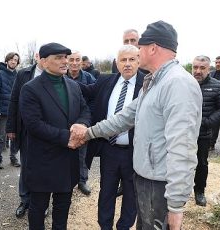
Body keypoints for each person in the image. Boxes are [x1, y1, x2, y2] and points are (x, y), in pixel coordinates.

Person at [70, 20, 202, 230]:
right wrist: (88, 133)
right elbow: (123, 118)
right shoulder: (154, 82)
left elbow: (183, 147)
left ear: (152, 48)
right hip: (146, 178)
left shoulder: (177, 84)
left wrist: (176, 205)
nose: (137, 52)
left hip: (160, 184)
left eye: (139, 47)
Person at [19, 42, 91, 229]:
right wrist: (68, 137)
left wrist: (82, 125)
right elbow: (34, 125)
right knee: (38, 208)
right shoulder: (30, 88)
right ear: (43, 62)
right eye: (58, 58)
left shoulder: (73, 86)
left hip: (68, 160)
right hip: (43, 159)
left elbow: (85, 110)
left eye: (65, 57)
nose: (64, 61)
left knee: (63, 207)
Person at [79, 44, 145, 229]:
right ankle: (104, 226)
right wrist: (64, 77)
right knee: (106, 192)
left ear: (139, 61)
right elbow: (86, 91)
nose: (127, 64)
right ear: (116, 63)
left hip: (134, 151)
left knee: (131, 195)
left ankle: (124, 226)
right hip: (109, 150)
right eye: (123, 60)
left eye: (132, 59)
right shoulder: (105, 81)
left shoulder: (147, 85)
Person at [6, 52, 44, 218]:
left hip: (46, 130)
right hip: (26, 129)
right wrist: (11, 127)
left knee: (43, 168)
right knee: (27, 165)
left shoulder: (56, 75)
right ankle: (25, 200)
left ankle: (41, 203)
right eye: (42, 56)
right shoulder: (24, 74)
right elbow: (14, 100)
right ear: (37, 57)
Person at [192, 55, 220, 206]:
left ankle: (199, 191)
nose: (198, 71)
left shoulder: (218, 86)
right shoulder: (183, 84)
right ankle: (178, 193)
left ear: (209, 69)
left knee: (201, 163)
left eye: (202, 68)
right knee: (178, 162)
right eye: (195, 67)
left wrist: (207, 122)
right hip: (182, 133)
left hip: (203, 134)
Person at [66, 51, 95, 196]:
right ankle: (65, 178)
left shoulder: (89, 78)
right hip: (64, 121)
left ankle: (82, 180)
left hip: (83, 121)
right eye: (72, 60)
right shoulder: (61, 77)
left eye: (78, 60)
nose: (75, 63)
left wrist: (86, 121)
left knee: (82, 153)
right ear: (67, 61)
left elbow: (94, 99)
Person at [0, 52, 21, 169]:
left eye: (16, 60)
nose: (13, 61)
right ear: (7, 61)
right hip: (3, 111)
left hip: (16, 111)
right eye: (11, 59)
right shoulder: (0, 74)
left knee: (15, 135)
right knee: (1, 136)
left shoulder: (19, 75)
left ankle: (13, 157)